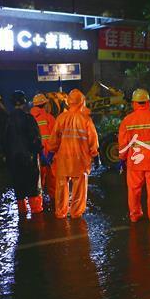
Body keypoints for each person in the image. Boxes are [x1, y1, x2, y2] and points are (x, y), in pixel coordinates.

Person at [48, 89, 99, 219]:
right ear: (82, 102)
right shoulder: (86, 120)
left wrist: (51, 153)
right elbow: (92, 140)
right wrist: (95, 155)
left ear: (69, 102)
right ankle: (76, 213)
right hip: (80, 160)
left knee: (61, 187)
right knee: (79, 188)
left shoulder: (61, 118)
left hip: (63, 159)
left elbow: (54, 140)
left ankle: (61, 212)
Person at [118, 88, 150, 223]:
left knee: (134, 190)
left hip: (135, 162)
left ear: (134, 103)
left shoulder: (127, 120)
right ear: (148, 102)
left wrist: (121, 159)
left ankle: (135, 215)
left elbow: (123, 144)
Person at [1, 91, 43, 215]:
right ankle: (36, 215)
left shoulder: (6, 121)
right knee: (33, 187)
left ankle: (23, 215)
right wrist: (38, 152)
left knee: (18, 187)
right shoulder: (29, 119)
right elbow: (36, 139)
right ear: (24, 103)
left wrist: (6, 156)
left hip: (13, 160)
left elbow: (3, 141)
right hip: (29, 159)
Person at [30, 93, 57, 203]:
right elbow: (55, 137)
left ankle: (38, 203)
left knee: (38, 180)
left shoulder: (29, 118)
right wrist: (50, 154)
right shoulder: (49, 118)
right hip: (49, 154)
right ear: (45, 104)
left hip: (36, 154)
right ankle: (54, 200)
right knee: (52, 179)